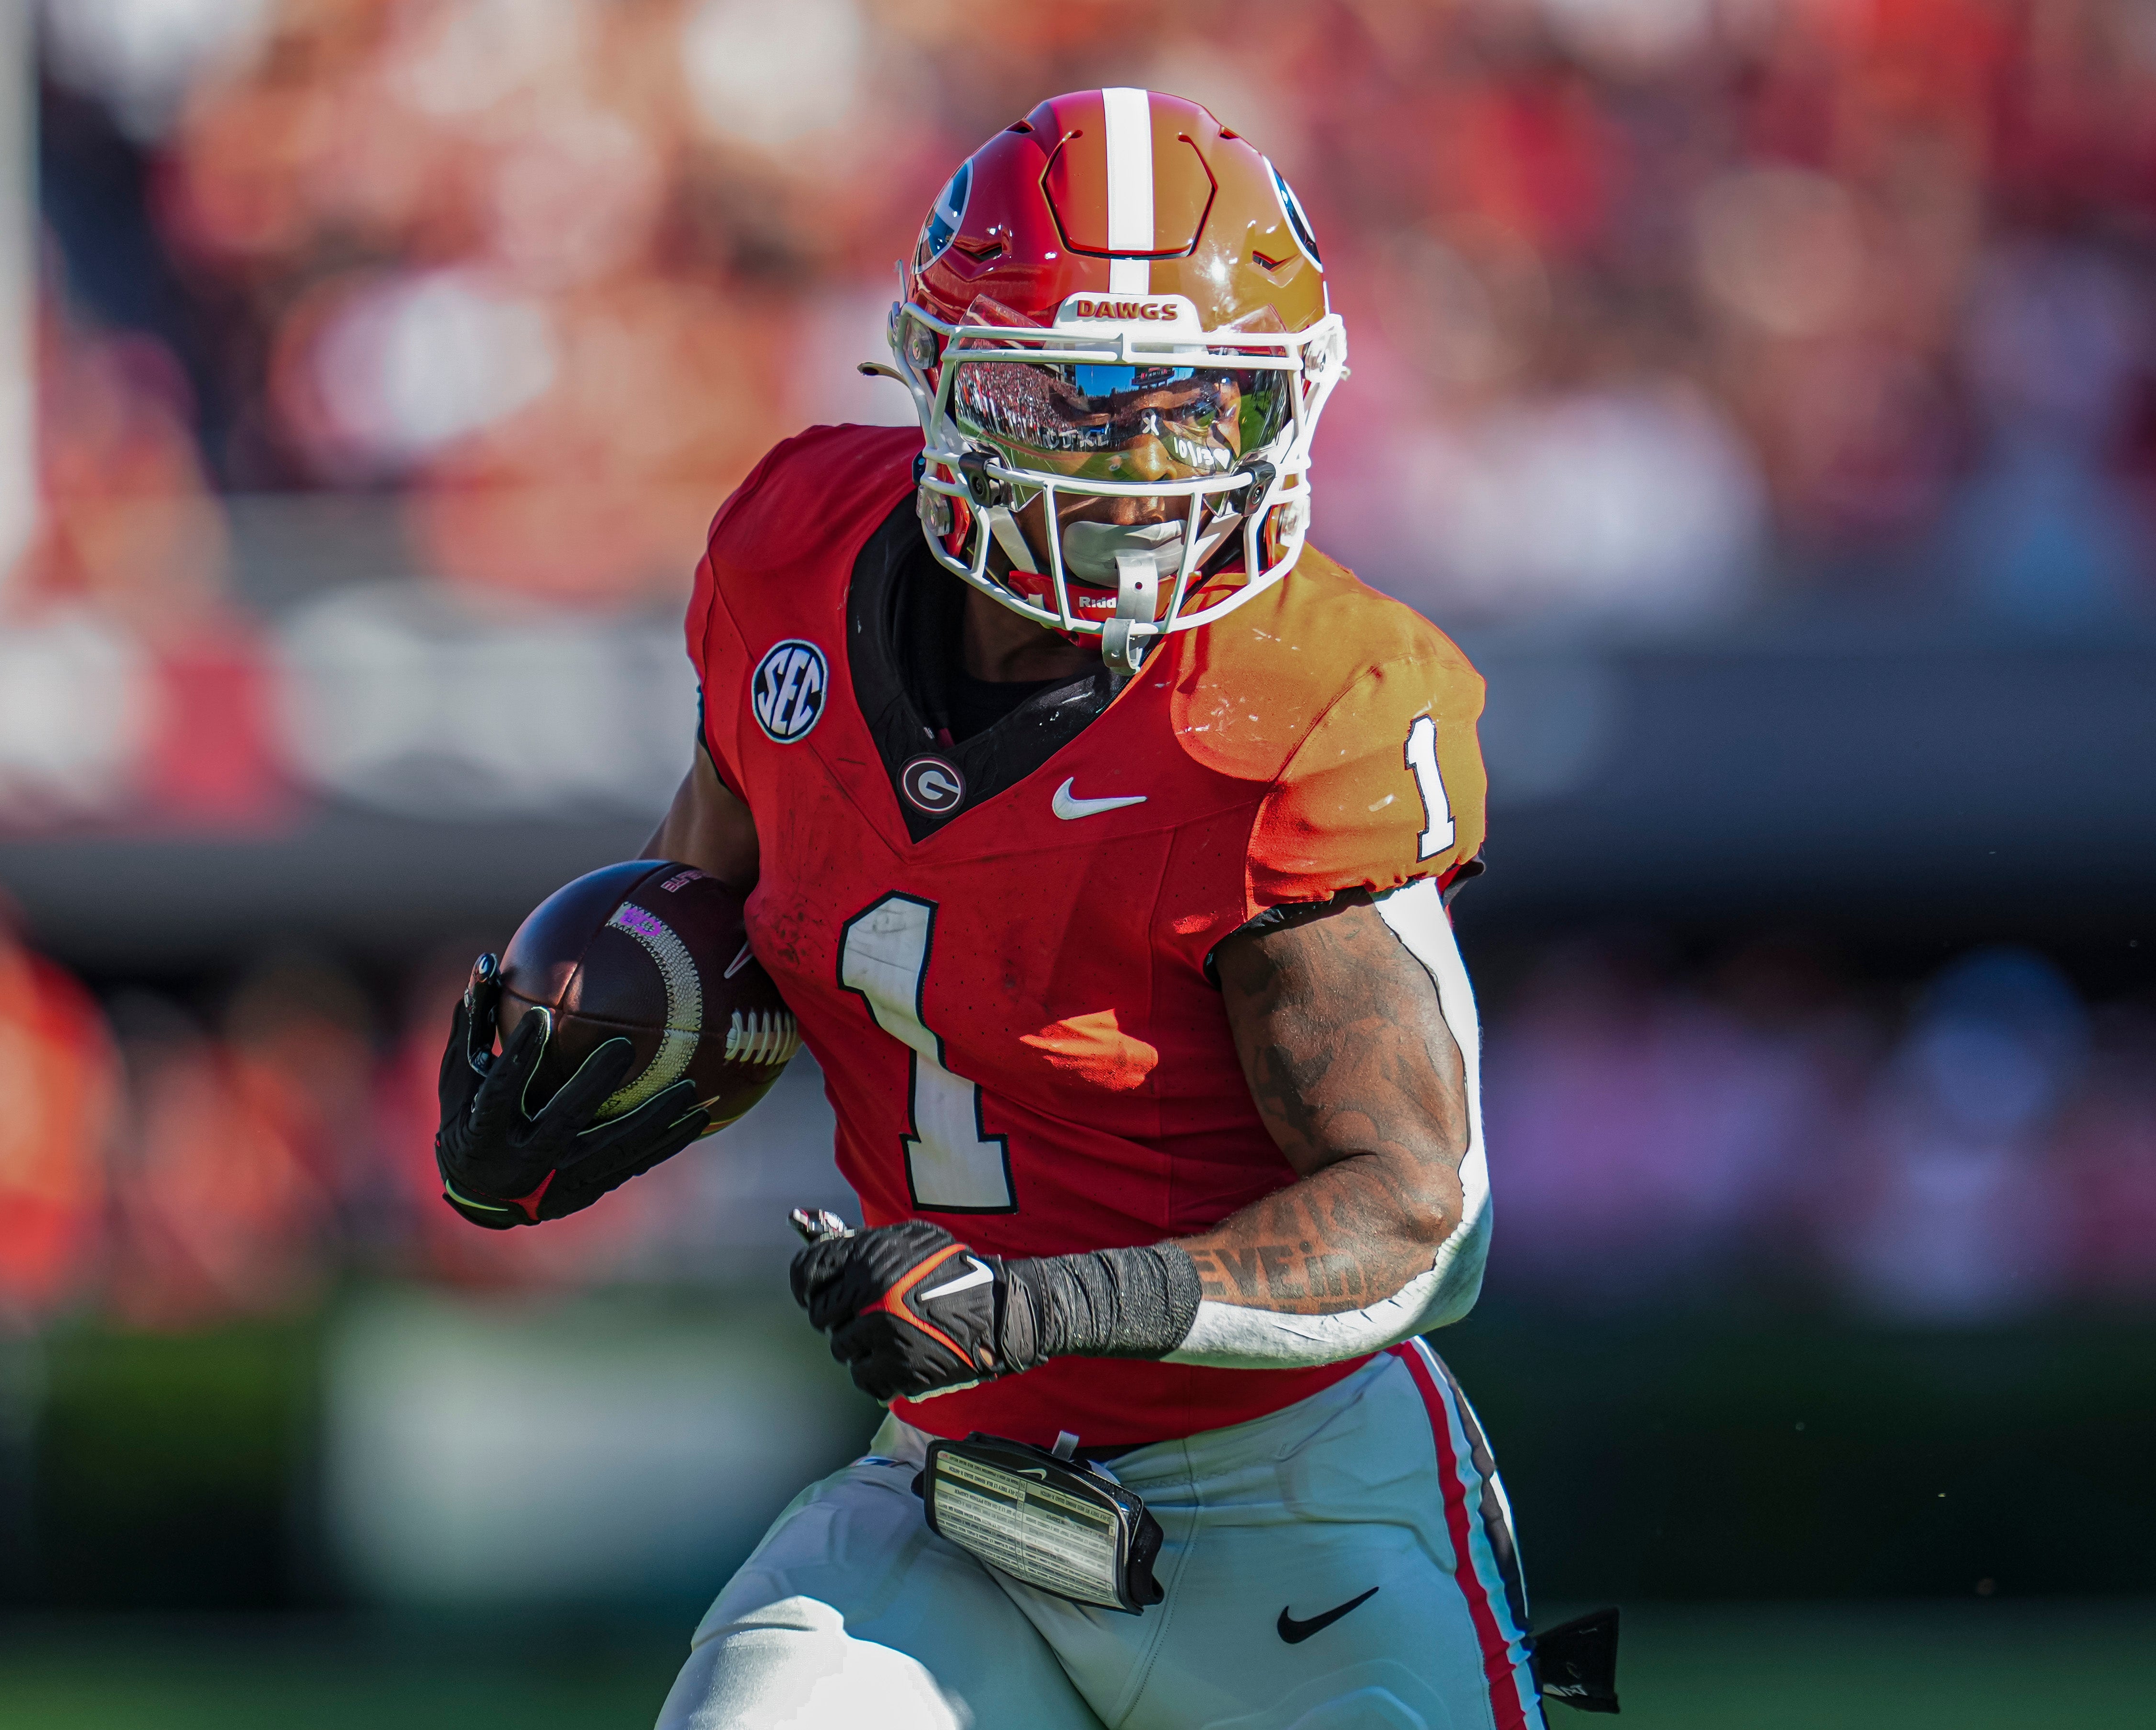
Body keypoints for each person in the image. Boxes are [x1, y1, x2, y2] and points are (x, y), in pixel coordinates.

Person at [434, 90, 1546, 1729]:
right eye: (1071, 402)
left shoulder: (1304, 699)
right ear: (942, 388)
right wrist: (594, 1032)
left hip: (1301, 1503)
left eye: (1195, 414)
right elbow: (714, 900)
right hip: (965, 1489)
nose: (1144, 473)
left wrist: (1039, 1303)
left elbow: (1415, 1219)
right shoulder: (793, 549)